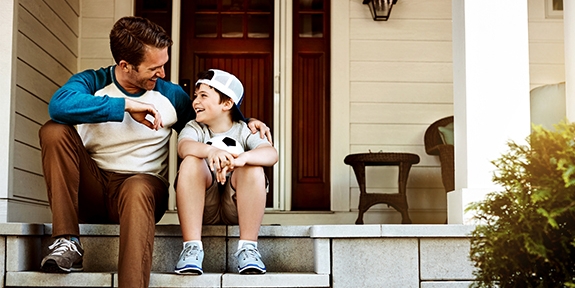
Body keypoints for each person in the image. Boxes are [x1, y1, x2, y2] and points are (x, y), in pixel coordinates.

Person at [38, 16, 271, 287]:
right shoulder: (92, 82)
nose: (162, 73)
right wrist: (124, 106)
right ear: (125, 65)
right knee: (53, 130)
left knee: (137, 187)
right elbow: (58, 106)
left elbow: (211, 122)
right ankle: (67, 240)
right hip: (92, 187)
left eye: (164, 64)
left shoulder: (171, 96)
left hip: (143, 188)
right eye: (154, 67)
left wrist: (248, 121)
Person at [174, 69, 278, 275]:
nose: (195, 101)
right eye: (196, 96)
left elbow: (271, 154)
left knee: (254, 167)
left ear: (227, 103)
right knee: (190, 162)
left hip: (237, 209)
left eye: (203, 96)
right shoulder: (195, 128)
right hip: (204, 208)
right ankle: (192, 248)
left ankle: (248, 248)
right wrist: (211, 151)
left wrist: (243, 159)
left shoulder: (245, 130)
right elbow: (184, 147)